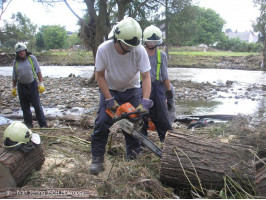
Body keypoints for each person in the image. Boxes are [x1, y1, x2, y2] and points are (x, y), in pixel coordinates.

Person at [90, 17, 153, 175]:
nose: (131, 48)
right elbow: (100, 76)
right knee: (102, 123)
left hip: (132, 90)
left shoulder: (139, 50)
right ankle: (97, 158)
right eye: (128, 45)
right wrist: (109, 98)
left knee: (133, 125)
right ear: (117, 39)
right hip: (110, 90)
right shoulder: (104, 49)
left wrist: (145, 101)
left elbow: (146, 77)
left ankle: (132, 158)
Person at [141, 25, 174, 142]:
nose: (151, 44)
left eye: (154, 41)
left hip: (157, 87)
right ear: (145, 41)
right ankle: (141, 142)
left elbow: (165, 76)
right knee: (141, 116)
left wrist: (168, 92)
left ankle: (166, 142)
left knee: (162, 117)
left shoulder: (162, 55)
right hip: (142, 87)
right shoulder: (139, 53)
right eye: (149, 41)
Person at [11, 42, 47, 128]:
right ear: (17, 53)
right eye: (19, 52)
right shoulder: (15, 62)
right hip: (21, 87)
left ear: (26, 51)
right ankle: (28, 124)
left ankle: (43, 125)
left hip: (32, 85)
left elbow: (38, 71)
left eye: (23, 51)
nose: (22, 53)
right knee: (25, 107)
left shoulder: (32, 58)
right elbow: (14, 76)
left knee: (37, 106)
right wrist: (13, 87)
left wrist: (41, 83)